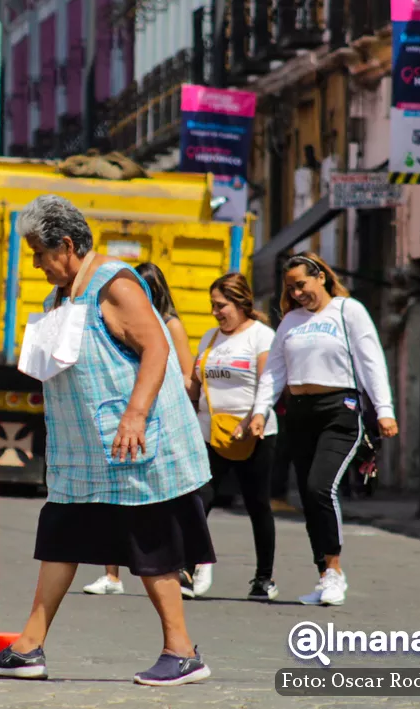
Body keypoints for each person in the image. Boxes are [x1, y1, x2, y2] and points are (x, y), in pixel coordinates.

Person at [0, 195, 214, 686]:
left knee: (152, 544)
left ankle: (182, 652)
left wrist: (136, 415)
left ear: (66, 244)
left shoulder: (116, 284)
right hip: (85, 454)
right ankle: (28, 648)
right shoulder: (60, 297)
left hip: (133, 445)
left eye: (40, 253)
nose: (36, 264)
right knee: (60, 537)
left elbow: (156, 349)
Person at [246, 252, 398, 607]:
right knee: (308, 494)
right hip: (299, 413)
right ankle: (323, 574)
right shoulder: (290, 322)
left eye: (302, 285)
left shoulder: (349, 311)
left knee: (320, 487)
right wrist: (259, 410)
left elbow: (371, 361)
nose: (297, 293)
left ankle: (334, 571)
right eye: (290, 288)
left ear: (321, 278)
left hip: (339, 409)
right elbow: (275, 371)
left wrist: (385, 410)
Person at [83, 261, 196, 597]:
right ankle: (111, 574)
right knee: (113, 495)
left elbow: (187, 375)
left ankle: (179, 571)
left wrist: (181, 420)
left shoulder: (169, 325)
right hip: (128, 414)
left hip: (159, 417)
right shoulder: (121, 322)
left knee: (161, 503)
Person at [183, 272, 279, 601]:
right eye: (212, 305)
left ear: (240, 303)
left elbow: (269, 382)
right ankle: (191, 567)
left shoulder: (261, 336)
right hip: (209, 433)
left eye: (221, 305)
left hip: (253, 432)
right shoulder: (210, 338)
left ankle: (263, 578)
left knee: (257, 504)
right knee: (199, 499)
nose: (215, 312)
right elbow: (195, 386)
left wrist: (255, 416)